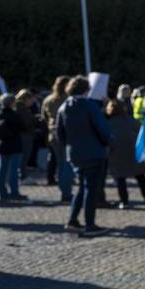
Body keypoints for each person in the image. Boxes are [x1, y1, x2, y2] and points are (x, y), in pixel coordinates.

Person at [56, 75, 112, 236]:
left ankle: (73, 220)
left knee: (81, 187)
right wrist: (108, 142)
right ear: (87, 89)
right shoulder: (89, 106)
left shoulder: (63, 107)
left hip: (74, 153)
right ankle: (90, 224)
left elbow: (60, 134)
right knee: (91, 189)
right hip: (93, 152)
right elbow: (102, 128)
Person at [105, 98, 145, 209]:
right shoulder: (130, 120)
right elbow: (141, 133)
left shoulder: (108, 123)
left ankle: (124, 200)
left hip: (116, 153)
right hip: (133, 151)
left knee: (120, 179)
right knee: (140, 176)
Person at [0, 93, 28, 203]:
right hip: (15, 145)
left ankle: (2, 193)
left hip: (2, 145)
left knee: (1, 170)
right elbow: (23, 128)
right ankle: (14, 192)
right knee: (14, 170)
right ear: (12, 103)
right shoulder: (15, 115)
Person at [42, 76, 74, 200]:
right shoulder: (68, 100)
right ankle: (66, 191)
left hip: (53, 134)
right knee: (67, 164)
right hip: (66, 133)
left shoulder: (48, 99)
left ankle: (63, 190)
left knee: (61, 164)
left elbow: (44, 117)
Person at [14, 89, 37, 183]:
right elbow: (26, 122)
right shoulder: (22, 108)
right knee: (24, 157)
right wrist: (34, 119)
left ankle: (21, 176)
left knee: (21, 157)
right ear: (27, 99)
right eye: (31, 100)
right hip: (25, 135)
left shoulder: (16, 106)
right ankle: (22, 176)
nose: (32, 102)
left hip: (20, 135)